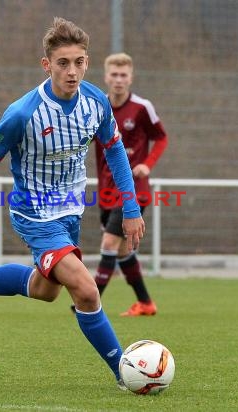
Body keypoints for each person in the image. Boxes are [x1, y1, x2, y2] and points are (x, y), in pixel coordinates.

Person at [0, 17, 145, 389]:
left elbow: (115, 151)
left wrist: (132, 209)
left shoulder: (96, 103)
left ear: (87, 62)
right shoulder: (23, 113)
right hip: (35, 215)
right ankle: (125, 373)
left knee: (45, 291)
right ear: (47, 65)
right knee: (86, 290)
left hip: (70, 213)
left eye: (79, 62)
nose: (72, 71)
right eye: (63, 63)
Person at [91, 53, 168, 316]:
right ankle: (145, 303)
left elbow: (161, 138)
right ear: (106, 76)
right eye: (114, 74)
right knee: (123, 251)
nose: (119, 80)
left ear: (131, 77)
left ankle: (88, 301)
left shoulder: (141, 107)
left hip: (133, 190)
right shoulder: (97, 107)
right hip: (105, 189)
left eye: (124, 75)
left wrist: (148, 163)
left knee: (109, 244)